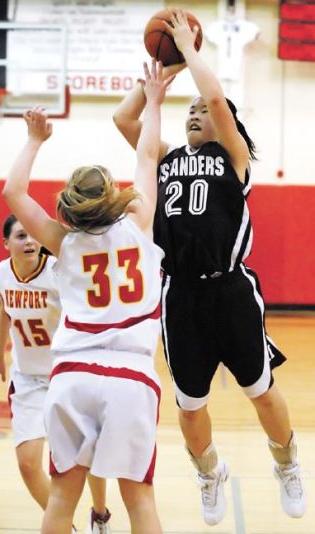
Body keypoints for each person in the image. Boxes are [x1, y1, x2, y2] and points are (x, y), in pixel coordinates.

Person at [113, 9, 306, 526]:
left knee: (261, 391)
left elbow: (218, 99)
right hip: (179, 295)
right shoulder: (167, 158)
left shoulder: (233, 158)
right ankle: (208, 472)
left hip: (231, 290)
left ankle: (286, 461)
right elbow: (124, 121)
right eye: (189, 109)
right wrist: (162, 68)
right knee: (191, 404)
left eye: (204, 109)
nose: (196, 112)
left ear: (226, 127)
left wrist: (192, 51)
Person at [2, 58, 173, 534]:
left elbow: (15, 193)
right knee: (139, 501)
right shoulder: (138, 226)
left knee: (61, 499)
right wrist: (154, 99)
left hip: (72, 376)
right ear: (112, 196)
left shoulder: (65, 242)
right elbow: (145, 154)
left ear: (71, 207)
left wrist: (35, 141)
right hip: (130, 379)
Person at [0, 215, 111, 534]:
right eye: (20, 236)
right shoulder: (2, 274)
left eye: (32, 234)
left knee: (87, 453)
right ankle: (67, 527)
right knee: (28, 463)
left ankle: (100, 514)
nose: (30, 241)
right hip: (29, 380)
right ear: (6, 245)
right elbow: (6, 307)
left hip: (66, 375)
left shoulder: (57, 271)